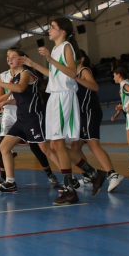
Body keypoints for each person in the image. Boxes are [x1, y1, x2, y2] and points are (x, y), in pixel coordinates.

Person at [22, 18, 107, 205]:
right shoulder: (56, 49)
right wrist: (32, 63)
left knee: (58, 143)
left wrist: (50, 59)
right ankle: (94, 173)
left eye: (52, 27)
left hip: (63, 96)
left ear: (62, 31)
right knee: (54, 145)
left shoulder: (67, 47)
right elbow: (54, 74)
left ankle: (70, 190)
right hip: (54, 96)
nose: (49, 30)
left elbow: (71, 73)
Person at [0, 48, 60, 189]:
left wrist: (0, 84)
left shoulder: (26, 73)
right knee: (4, 147)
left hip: (33, 117)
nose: (9, 59)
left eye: (13, 56)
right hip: (22, 119)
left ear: (22, 59)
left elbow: (20, 89)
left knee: (46, 150)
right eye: (8, 56)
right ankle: (10, 182)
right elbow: (22, 99)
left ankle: (69, 178)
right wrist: (6, 102)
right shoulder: (16, 77)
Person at [70, 50, 124, 193]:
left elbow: (95, 86)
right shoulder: (72, 73)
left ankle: (113, 174)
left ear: (81, 59)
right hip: (81, 114)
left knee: (93, 144)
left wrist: (77, 79)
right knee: (75, 146)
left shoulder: (84, 71)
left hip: (90, 111)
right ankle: (88, 175)